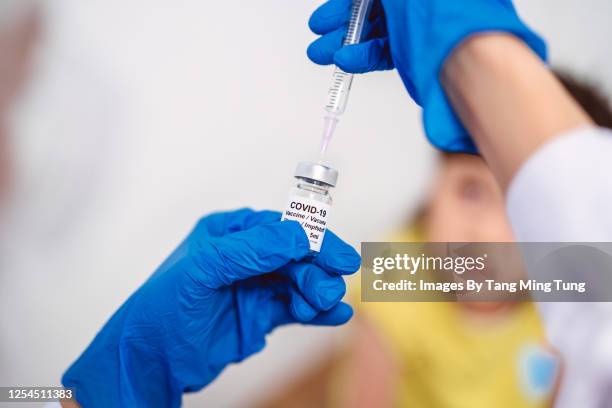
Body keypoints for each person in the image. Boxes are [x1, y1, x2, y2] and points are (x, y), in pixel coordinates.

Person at [58, 0, 612, 407]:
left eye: (520, 208)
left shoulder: (571, 292)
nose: (488, 232)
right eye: (470, 190)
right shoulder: (399, 277)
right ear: (431, 191)